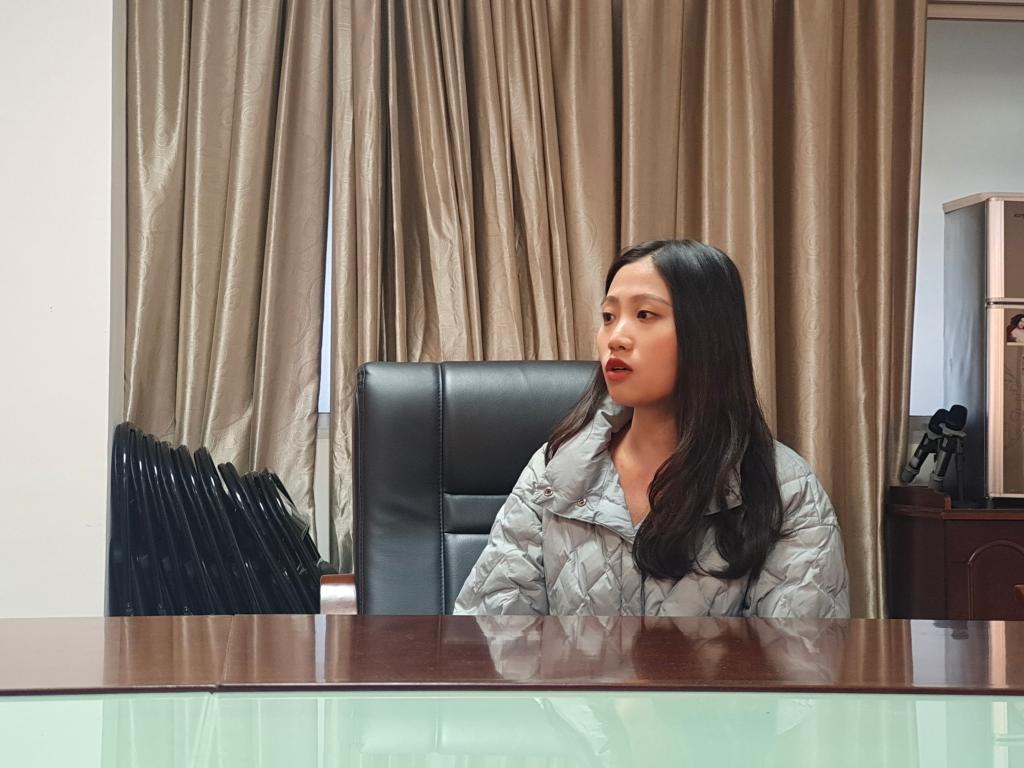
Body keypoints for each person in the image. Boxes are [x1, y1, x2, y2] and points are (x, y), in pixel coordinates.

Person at [454, 239, 849, 618]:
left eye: (645, 315)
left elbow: (800, 653)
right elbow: (490, 631)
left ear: (708, 334)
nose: (616, 338)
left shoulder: (785, 489)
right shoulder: (555, 470)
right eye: (608, 317)